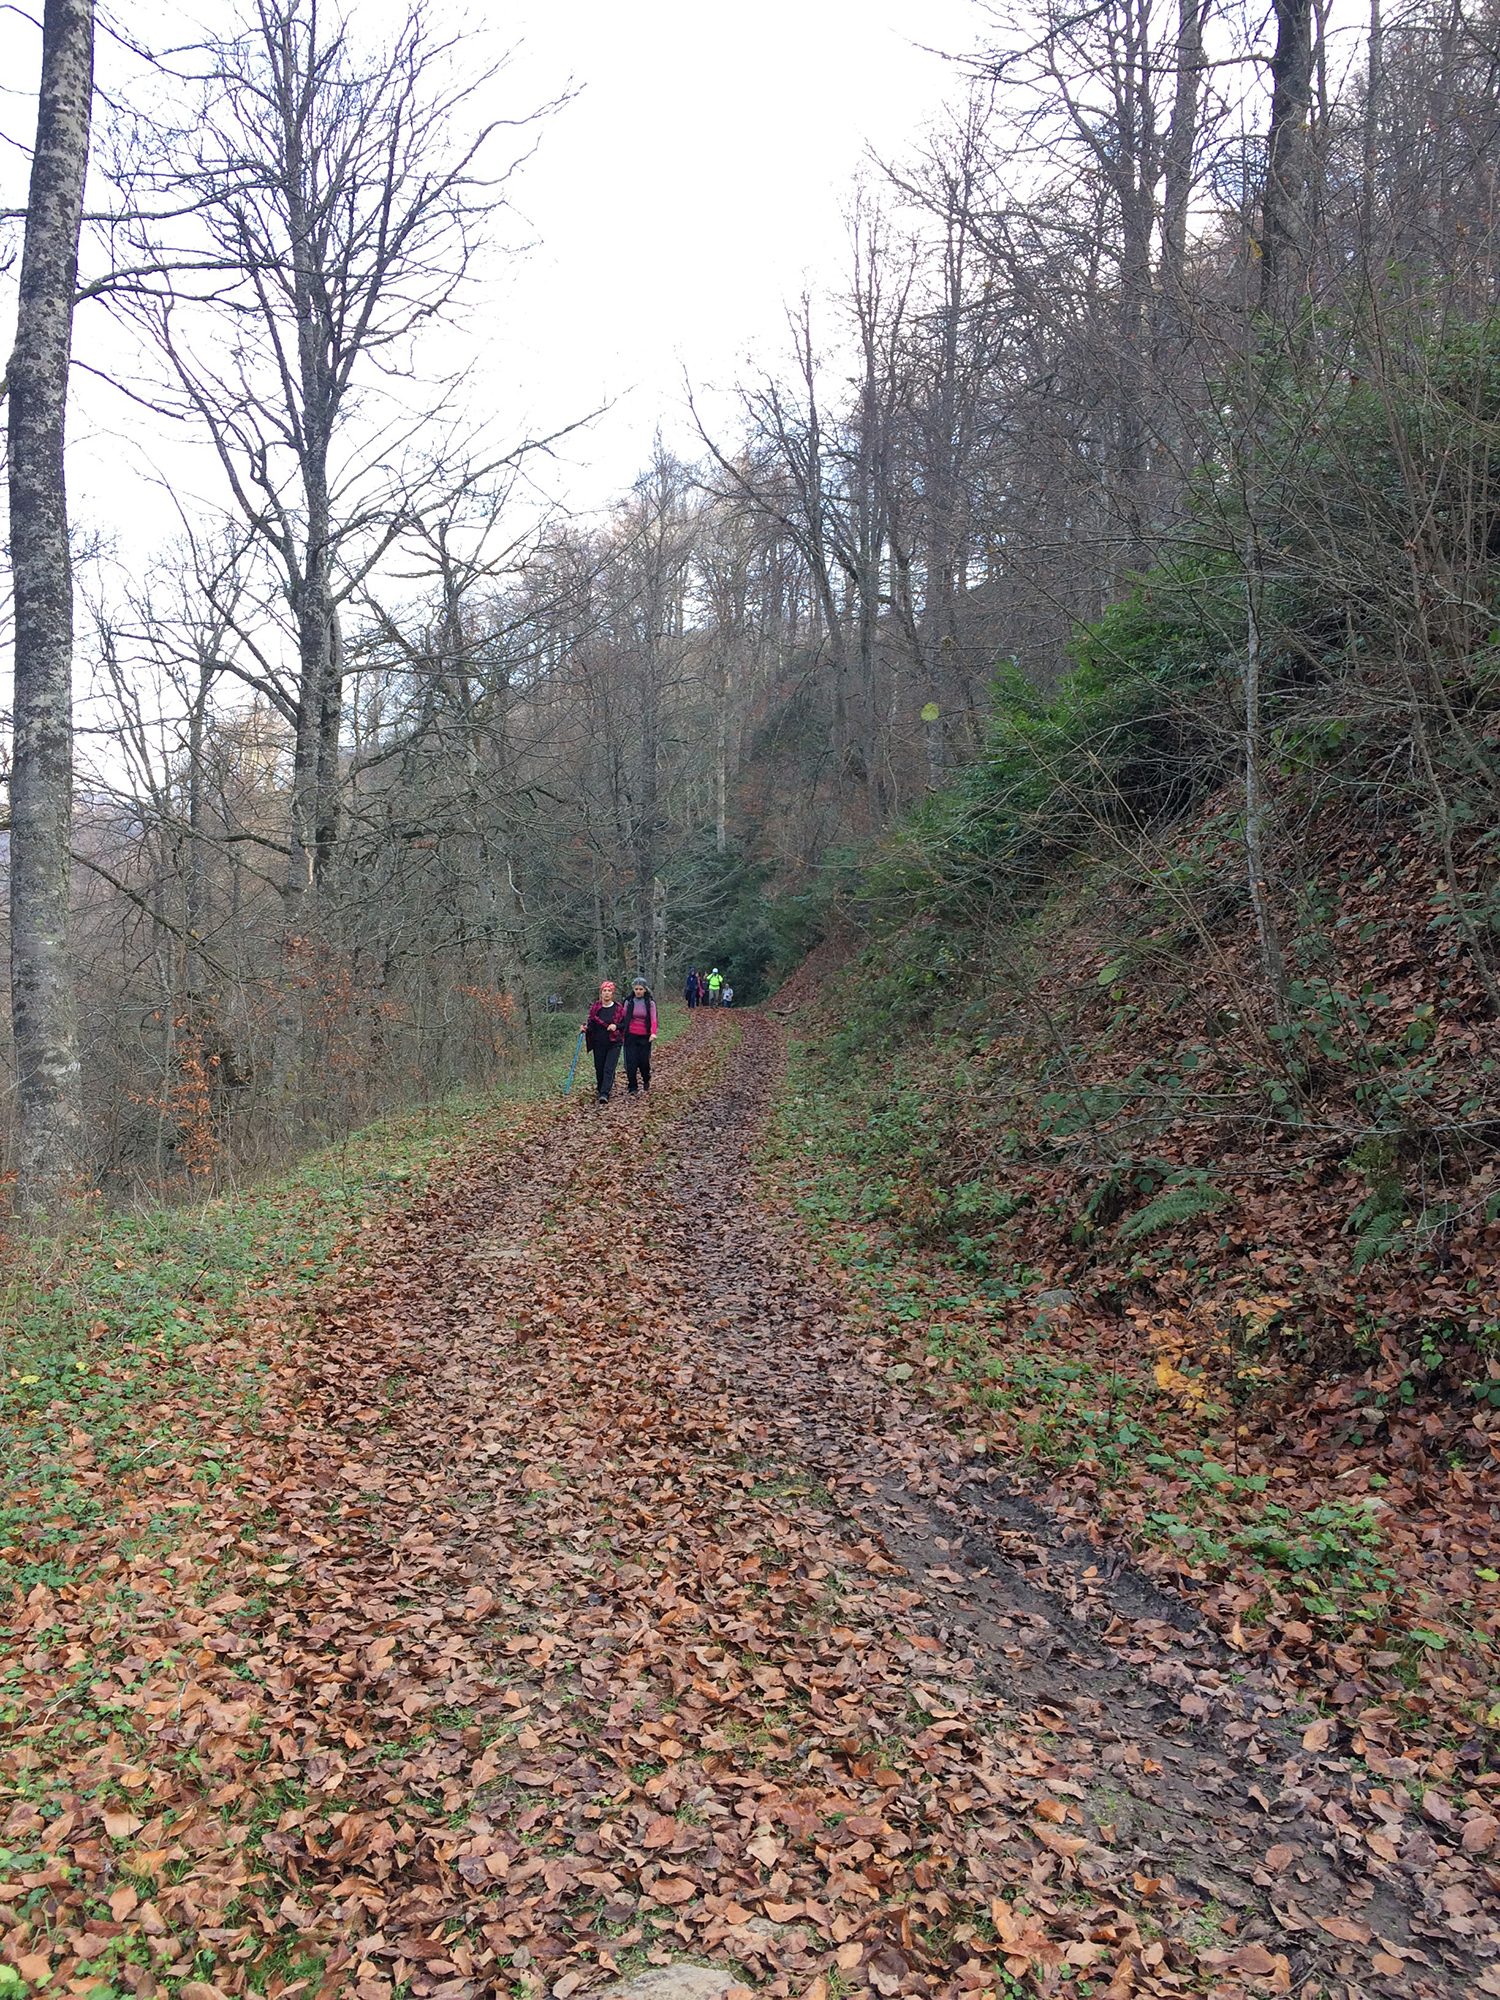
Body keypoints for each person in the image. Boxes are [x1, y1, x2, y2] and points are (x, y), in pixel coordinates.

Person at [582, 980, 625, 1104]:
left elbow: (624, 1023)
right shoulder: (595, 1008)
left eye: (609, 991)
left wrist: (615, 1026)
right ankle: (601, 1088)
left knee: (609, 1068)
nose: (606, 993)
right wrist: (585, 1029)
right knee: (599, 1068)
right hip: (598, 1042)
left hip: (614, 1042)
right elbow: (591, 1025)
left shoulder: (618, 1009)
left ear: (612, 994)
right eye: (604, 991)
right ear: (601, 993)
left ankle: (605, 1093)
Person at [620, 976, 658, 1094]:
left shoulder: (650, 1003)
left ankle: (646, 1078)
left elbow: (653, 1019)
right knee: (630, 1062)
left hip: (644, 1036)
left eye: (640, 989)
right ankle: (632, 1087)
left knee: (643, 1062)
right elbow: (623, 1017)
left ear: (645, 989)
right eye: (636, 989)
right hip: (630, 1035)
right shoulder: (628, 1001)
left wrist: (653, 1033)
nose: (638, 991)